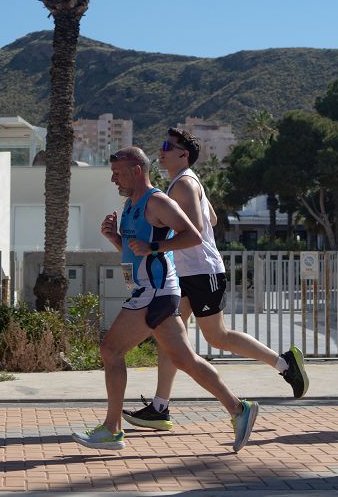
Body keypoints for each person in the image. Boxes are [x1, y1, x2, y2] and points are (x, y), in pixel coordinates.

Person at [71, 146, 258, 453]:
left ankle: (111, 429)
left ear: (135, 171)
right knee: (185, 360)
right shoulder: (131, 206)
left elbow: (195, 235)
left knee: (111, 350)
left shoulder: (156, 200)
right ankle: (239, 409)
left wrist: (155, 246)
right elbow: (138, 250)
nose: (113, 179)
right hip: (152, 290)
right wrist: (115, 239)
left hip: (156, 291)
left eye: (117, 173)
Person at [122, 129, 309, 431]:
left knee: (216, 337)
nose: (163, 150)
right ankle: (159, 407)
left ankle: (285, 364)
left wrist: (154, 246)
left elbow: (196, 231)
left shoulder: (183, 183)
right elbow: (212, 219)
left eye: (169, 146)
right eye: (163, 145)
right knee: (171, 341)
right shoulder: (184, 182)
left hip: (201, 272)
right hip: (184, 274)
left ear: (184, 154)